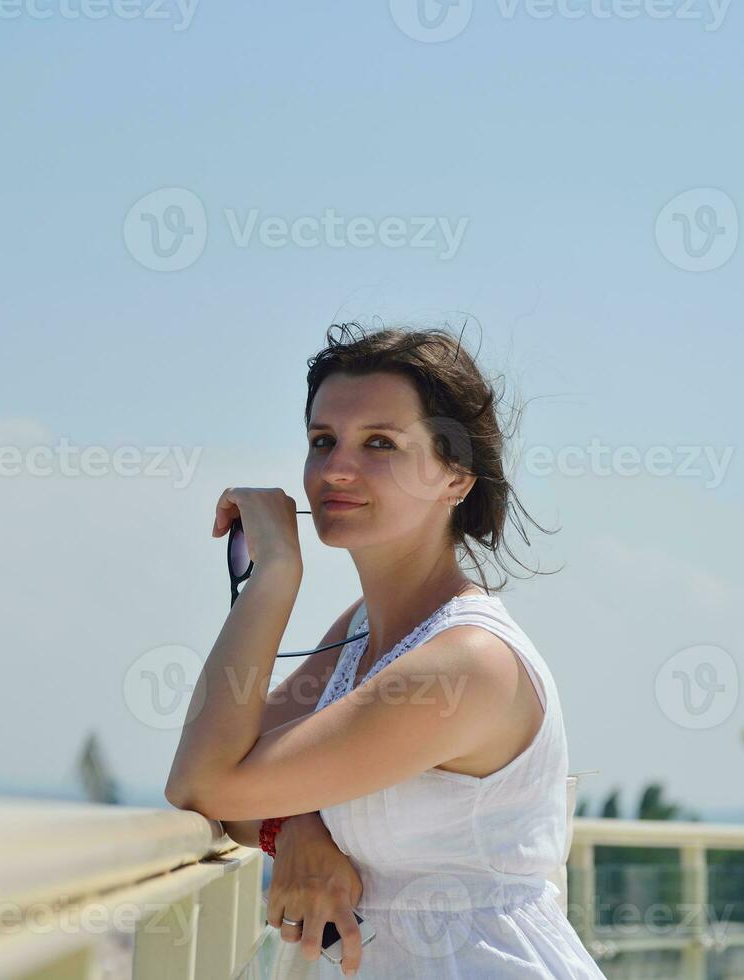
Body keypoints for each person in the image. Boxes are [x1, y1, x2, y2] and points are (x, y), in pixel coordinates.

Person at [165, 323, 605, 977]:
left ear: (456, 478)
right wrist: (288, 828)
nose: (336, 467)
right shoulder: (363, 630)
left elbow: (205, 782)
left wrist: (277, 572)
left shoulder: (466, 661)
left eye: (380, 443)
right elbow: (219, 770)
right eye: (323, 440)